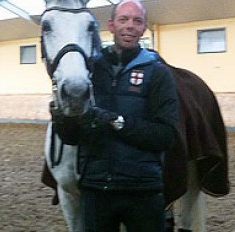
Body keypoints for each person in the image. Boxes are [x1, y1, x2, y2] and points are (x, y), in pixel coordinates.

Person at [53, 0, 179, 231]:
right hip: (96, 191)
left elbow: (165, 136)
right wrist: (61, 115)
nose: (130, 26)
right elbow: (71, 138)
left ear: (143, 28)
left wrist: (115, 122)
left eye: (137, 21)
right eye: (123, 19)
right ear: (111, 25)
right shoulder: (88, 72)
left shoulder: (159, 74)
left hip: (143, 191)